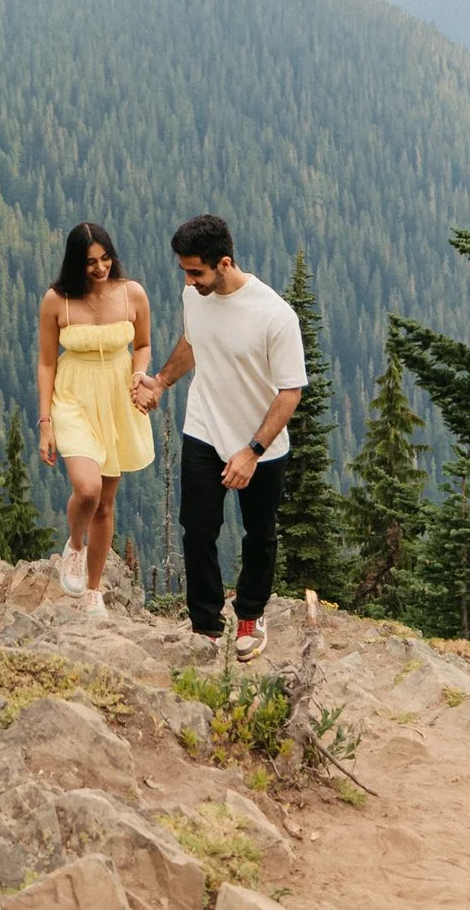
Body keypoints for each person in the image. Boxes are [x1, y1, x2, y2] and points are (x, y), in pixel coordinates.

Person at [135, 214, 304, 662]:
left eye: (196, 272)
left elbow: (290, 392)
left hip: (259, 444)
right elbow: (193, 341)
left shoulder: (274, 315)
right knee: (198, 528)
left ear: (224, 263)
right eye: (184, 272)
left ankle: (250, 615)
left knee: (259, 533)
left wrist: (252, 451)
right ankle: (206, 625)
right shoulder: (195, 295)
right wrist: (161, 382)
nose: (188, 281)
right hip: (205, 429)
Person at [36, 221, 156, 618]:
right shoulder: (58, 300)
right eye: (91, 262)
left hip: (118, 396)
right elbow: (46, 361)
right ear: (76, 263)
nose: (101, 268)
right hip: (72, 397)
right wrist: (46, 421)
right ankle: (74, 545)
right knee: (86, 489)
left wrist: (140, 375)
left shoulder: (132, 293)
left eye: (106, 259)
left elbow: (142, 345)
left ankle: (92, 590)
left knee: (105, 504)